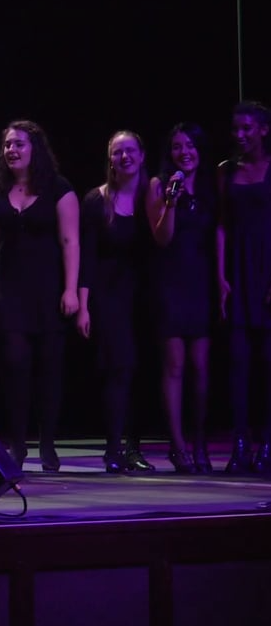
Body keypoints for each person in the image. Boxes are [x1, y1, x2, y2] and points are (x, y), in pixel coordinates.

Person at [0, 120, 78, 471]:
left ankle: (47, 444)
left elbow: (70, 241)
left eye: (19, 144)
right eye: (8, 144)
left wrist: (71, 289)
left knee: (49, 370)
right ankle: (18, 444)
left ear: (35, 148)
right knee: (15, 366)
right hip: (11, 289)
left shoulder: (58, 187)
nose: (12, 150)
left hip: (49, 289)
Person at [77, 131, 155, 473]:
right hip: (109, 297)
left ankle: (134, 447)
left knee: (140, 372)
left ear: (142, 155)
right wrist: (83, 305)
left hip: (145, 296)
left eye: (130, 151)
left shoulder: (151, 197)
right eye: (118, 152)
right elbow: (87, 257)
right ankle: (113, 448)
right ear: (110, 159)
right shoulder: (96, 200)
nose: (125, 157)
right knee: (117, 371)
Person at [145, 123, 216, 473]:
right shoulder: (158, 185)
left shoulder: (211, 185)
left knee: (201, 366)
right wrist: (171, 201)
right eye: (177, 146)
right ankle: (178, 445)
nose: (184, 152)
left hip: (201, 281)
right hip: (170, 281)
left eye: (190, 145)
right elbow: (162, 238)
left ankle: (200, 442)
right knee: (175, 365)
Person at [216, 100, 271, 474]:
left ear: (263, 130)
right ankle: (240, 443)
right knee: (238, 364)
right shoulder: (226, 171)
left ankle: (267, 442)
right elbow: (221, 225)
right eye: (236, 128)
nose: (240, 134)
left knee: (267, 363)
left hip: (266, 268)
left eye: (247, 128)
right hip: (237, 269)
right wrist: (221, 277)